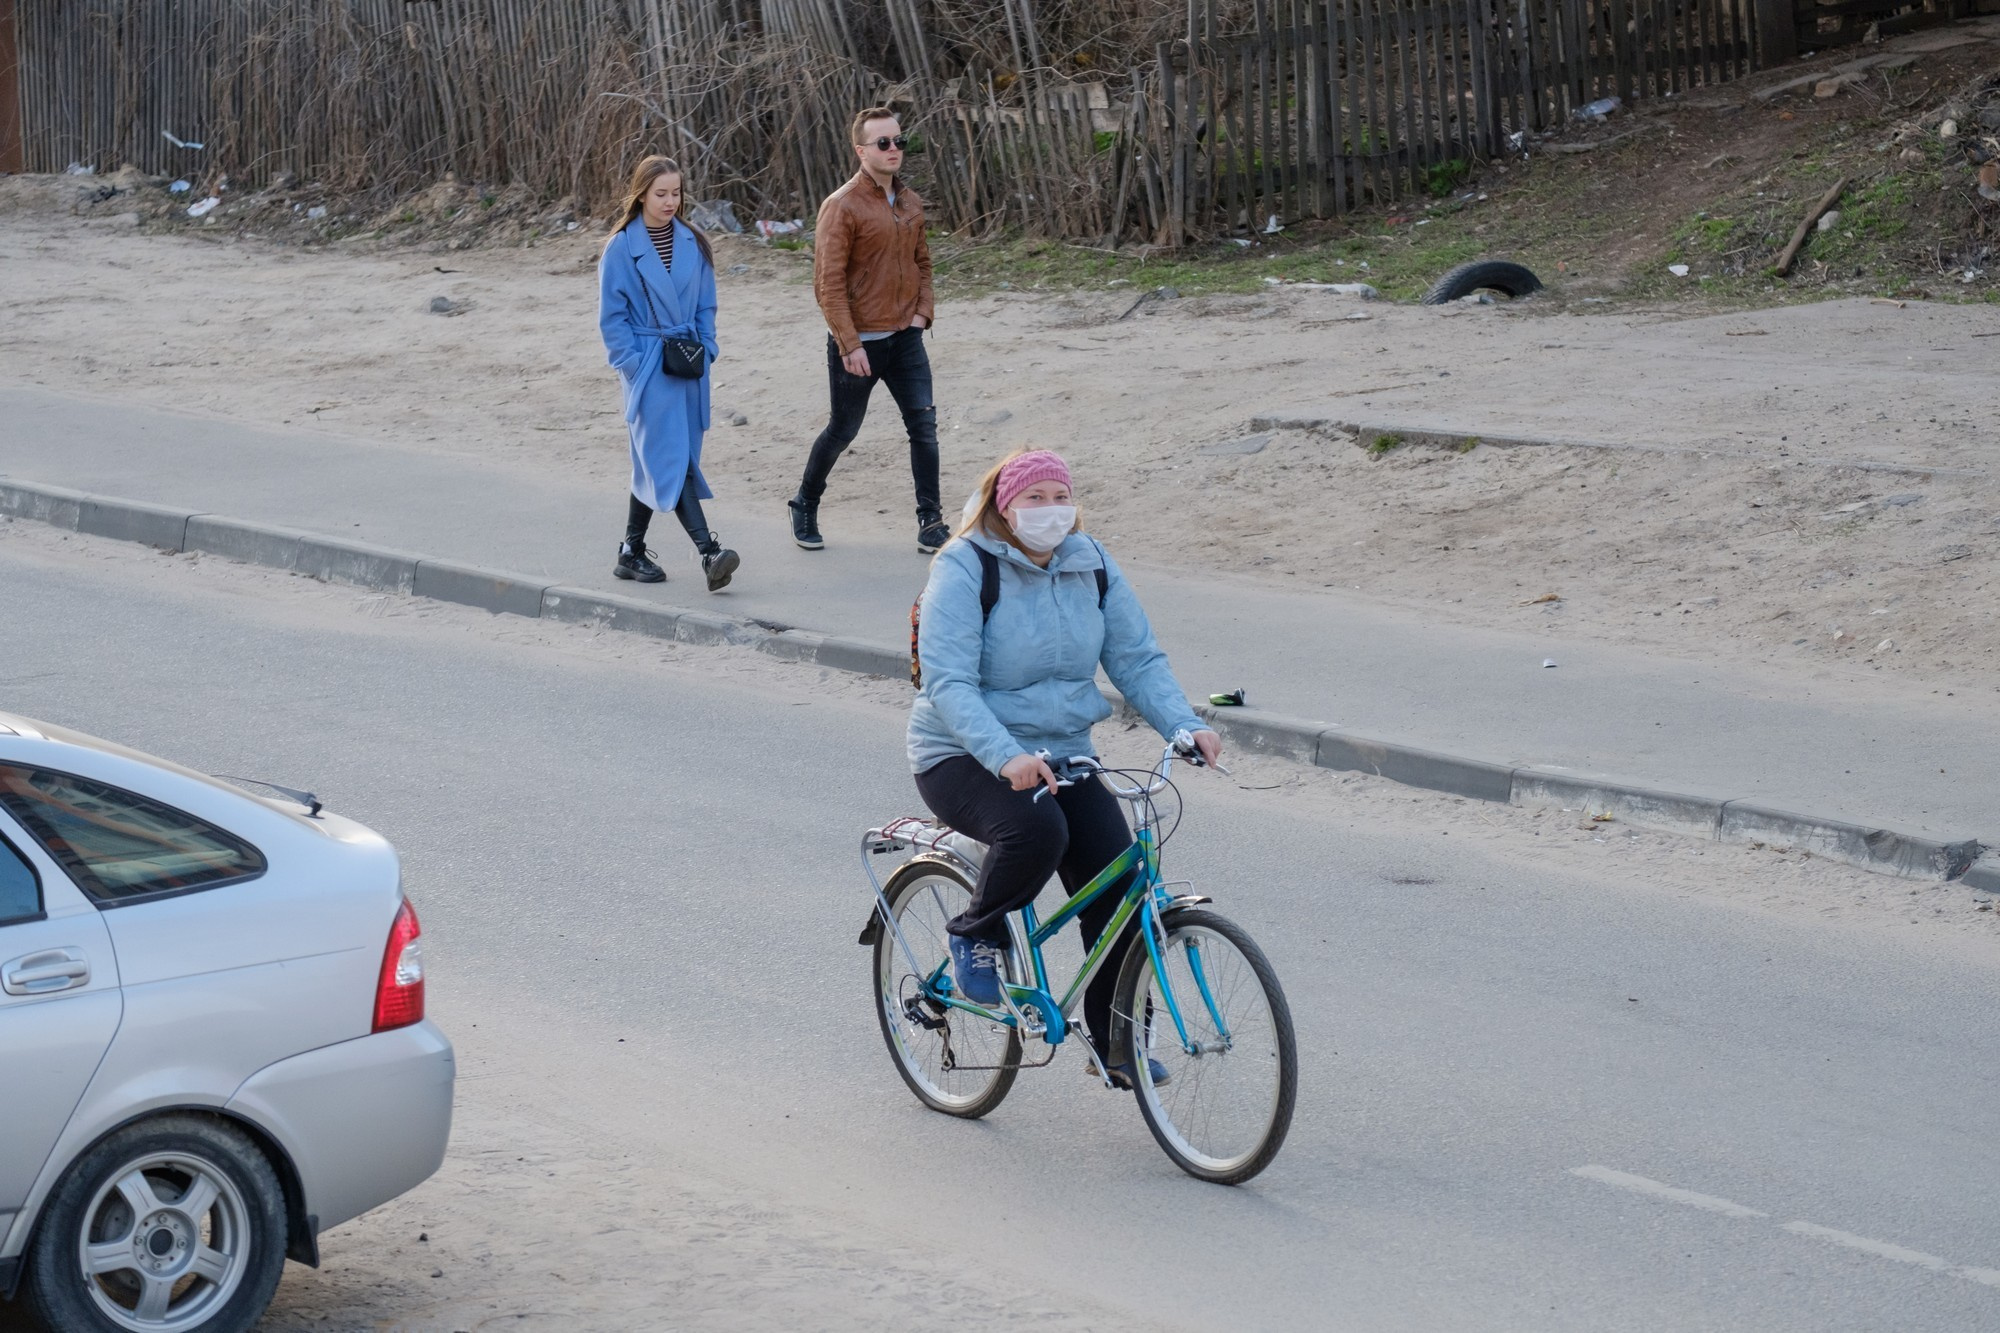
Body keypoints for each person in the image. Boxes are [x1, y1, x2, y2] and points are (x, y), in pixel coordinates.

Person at [907, 448, 1223, 1089]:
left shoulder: (1092, 563)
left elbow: (1135, 658)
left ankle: (1115, 1044)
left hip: (1063, 751)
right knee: (1037, 833)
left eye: (1060, 498)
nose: (1051, 511)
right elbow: (948, 682)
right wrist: (1005, 756)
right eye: (1034, 499)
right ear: (1003, 506)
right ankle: (975, 931)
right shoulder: (964, 567)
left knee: (1113, 882)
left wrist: (1185, 724)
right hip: (962, 751)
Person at [788, 106, 946, 556]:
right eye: (883, 143)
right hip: (860, 345)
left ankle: (930, 521)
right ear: (861, 151)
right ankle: (804, 503)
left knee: (924, 428)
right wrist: (849, 343)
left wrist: (922, 315)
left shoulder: (910, 201)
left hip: (907, 338)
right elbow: (827, 283)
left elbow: (923, 264)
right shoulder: (842, 206)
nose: (894, 149)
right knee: (843, 429)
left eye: (899, 141)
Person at [599, 154, 740, 592]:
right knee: (671, 457)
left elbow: (705, 304)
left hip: (688, 362)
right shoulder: (622, 246)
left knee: (660, 458)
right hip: (647, 365)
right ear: (641, 193)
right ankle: (709, 552)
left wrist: (708, 345)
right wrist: (633, 365)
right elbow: (612, 318)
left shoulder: (692, 242)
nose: (670, 201)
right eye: (661, 193)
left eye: (676, 193)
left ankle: (630, 551)